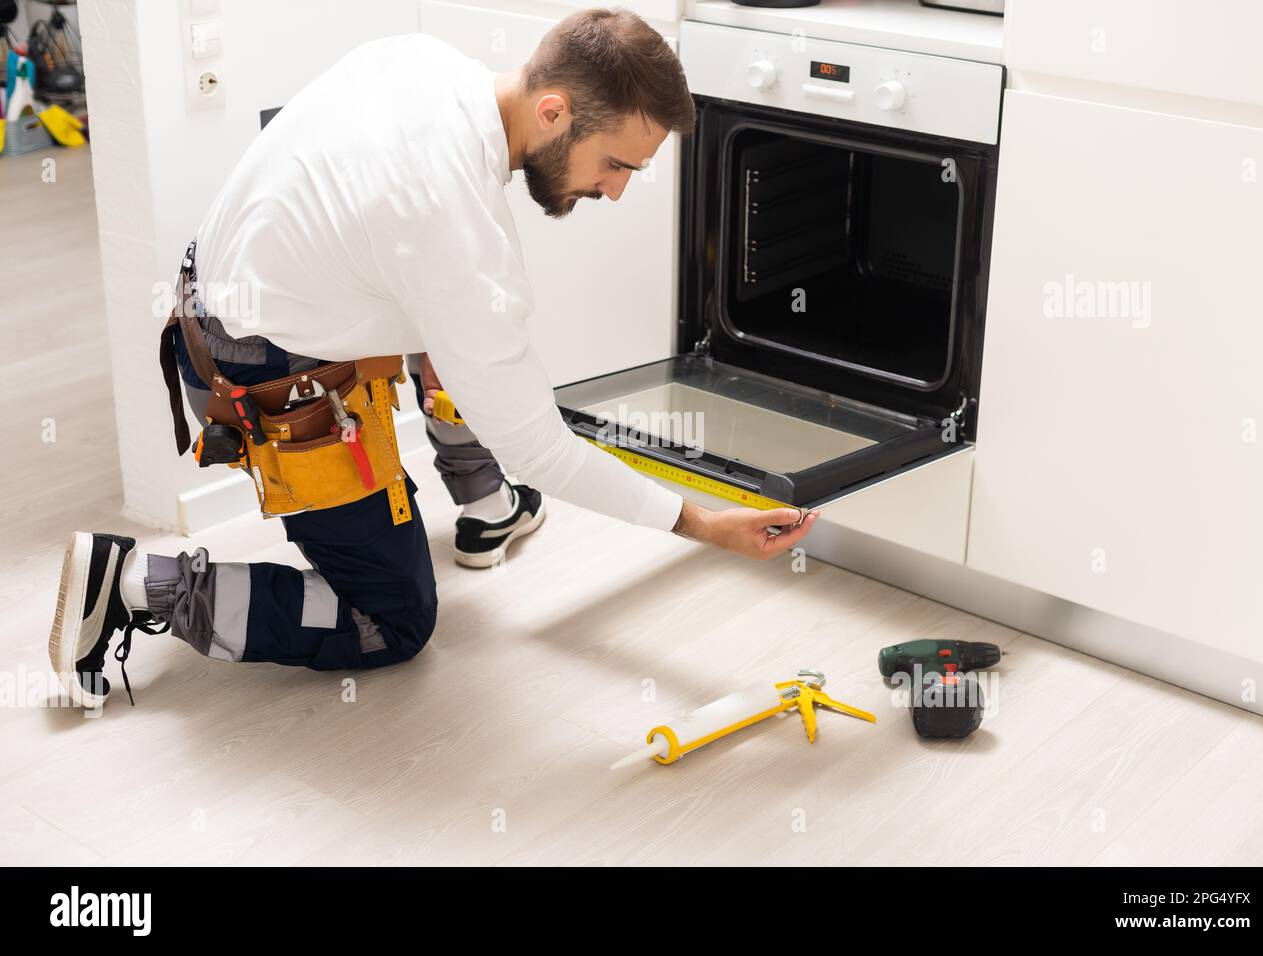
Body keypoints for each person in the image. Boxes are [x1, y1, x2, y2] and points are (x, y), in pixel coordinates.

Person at [48, 8, 819, 708]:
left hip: (217, 306)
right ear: (554, 112)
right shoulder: (459, 236)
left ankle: (485, 507)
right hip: (258, 380)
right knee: (391, 621)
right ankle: (138, 586)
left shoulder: (421, 61)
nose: (613, 191)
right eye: (616, 164)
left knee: (463, 340)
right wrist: (705, 525)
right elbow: (543, 448)